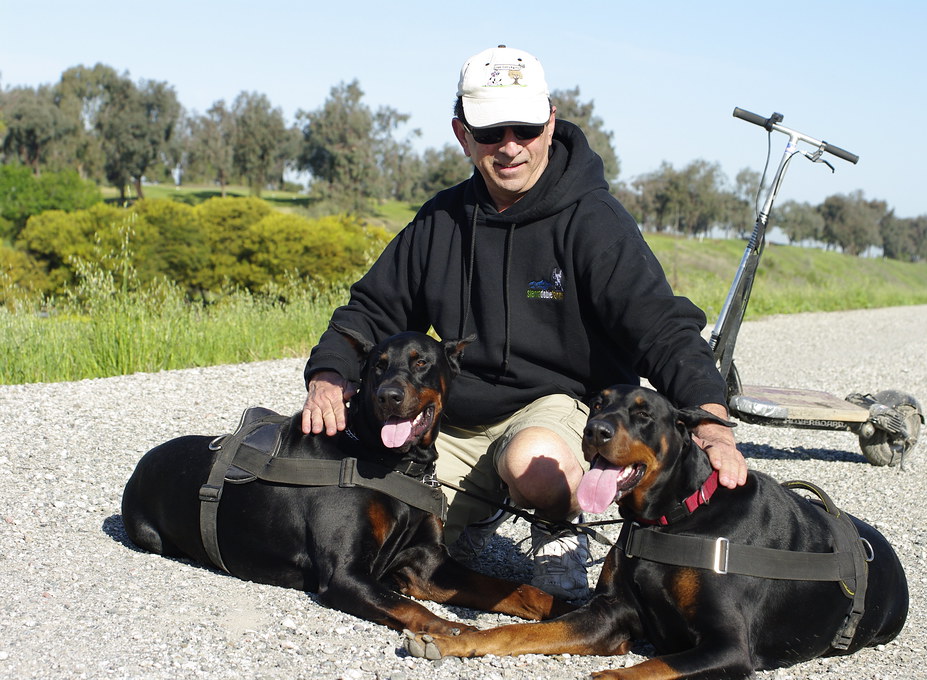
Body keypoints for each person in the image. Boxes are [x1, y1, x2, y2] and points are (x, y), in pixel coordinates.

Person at [301, 45, 746, 601]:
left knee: (530, 462)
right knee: (390, 546)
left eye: (526, 127)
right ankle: (474, 515)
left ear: (550, 121)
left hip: (555, 409)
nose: (510, 146)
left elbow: (664, 330)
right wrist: (329, 373)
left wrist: (711, 424)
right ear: (462, 134)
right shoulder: (440, 219)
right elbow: (370, 309)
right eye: (491, 131)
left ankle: (562, 531)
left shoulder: (594, 220)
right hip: (455, 422)